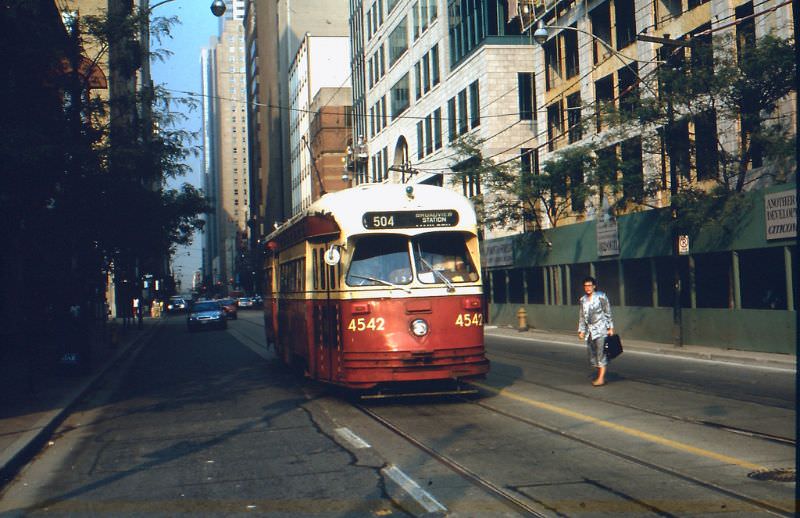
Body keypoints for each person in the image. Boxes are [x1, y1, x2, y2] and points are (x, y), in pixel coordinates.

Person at [577, 276, 615, 386]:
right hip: (590, 331)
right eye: (585, 286)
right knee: (592, 354)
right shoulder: (583, 299)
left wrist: (610, 328)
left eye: (589, 285)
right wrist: (581, 330)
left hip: (601, 329)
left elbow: (608, 312)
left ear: (594, 286)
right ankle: (600, 374)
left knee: (601, 353)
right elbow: (582, 316)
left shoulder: (601, 297)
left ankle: (601, 378)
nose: (587, 288)